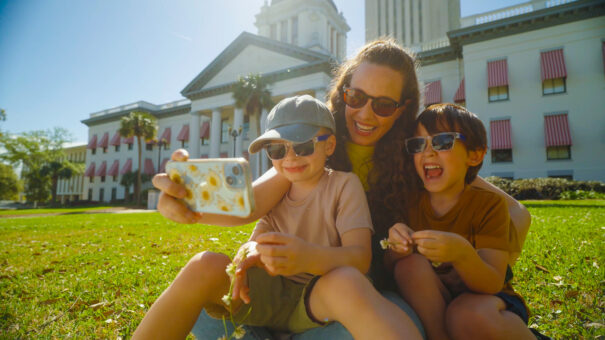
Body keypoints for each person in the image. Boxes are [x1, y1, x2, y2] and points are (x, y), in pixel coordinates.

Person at [150, 38, 530, 339]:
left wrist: (468, 264)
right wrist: (189, 202)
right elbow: (250, 202)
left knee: (391, 320)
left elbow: (516, 213)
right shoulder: (312, 145)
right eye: (356, 97)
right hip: (290, 289)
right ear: (343, 92)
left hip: (357, 294)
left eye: (383, 105)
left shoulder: (416, 153)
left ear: (403, 108)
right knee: (202, 309)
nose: (365, 114)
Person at [132, 95, 423, 340]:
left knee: (346, 281)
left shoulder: (343, 185)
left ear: (329, 146)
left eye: (304, 146)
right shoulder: (276, 190)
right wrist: (249, 255)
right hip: (269, 297)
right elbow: (255, 242)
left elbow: (360, 258)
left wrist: (306, 257)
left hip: (314, 299)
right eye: (276, 149)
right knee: (203, 265)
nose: (290, 157)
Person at [386, 103, 536, 340]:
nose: (428, 152)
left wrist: (463, 254)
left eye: (442, 142)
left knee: (465, 315)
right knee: (408, 265)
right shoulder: (410, 203)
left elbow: (492, 282)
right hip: (438, 298)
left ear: (474, 155)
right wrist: (396, 247)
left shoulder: (489, 205)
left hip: (487, 303)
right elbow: (389, 266)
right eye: (418, 144)